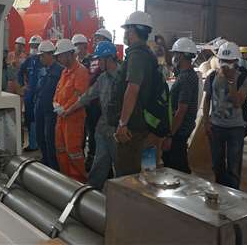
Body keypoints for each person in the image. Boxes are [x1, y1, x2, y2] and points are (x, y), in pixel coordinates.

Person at [67, 41, 119, 189]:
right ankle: (91, 191)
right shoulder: (102, 78)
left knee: (121, 166)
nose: (98, 62)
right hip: (103, 128)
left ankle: (123, 196)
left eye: (100, 59)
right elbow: (87, 97)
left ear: (109, 58)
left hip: (118, 130)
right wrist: (69, 110)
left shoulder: (124, 78)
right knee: (100, 162)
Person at [203, 41, 247, 189]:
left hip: (235, 128)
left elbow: (237, 102)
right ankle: (220, 193)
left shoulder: (244, 78)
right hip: (216, 126)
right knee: (217, 165)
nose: (226, 65)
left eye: (230, 62)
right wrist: (206, 121)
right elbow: (207, 99)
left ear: (237, 61)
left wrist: (231, 81)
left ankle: (233, 196)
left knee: (233, 168)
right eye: (223, 61)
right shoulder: (212, 76)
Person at [113, 11, 155, 177]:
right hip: (147, 125)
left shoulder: (136, 55)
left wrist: (122, 123)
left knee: (127, 177)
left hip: (133, 129)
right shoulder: (148, 54)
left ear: (131, 30)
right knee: (148, 173)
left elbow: (133, 88)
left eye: (126, 30)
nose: (125, 33)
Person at [53, 39, 89, 182]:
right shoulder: (65, 72)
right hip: (61, 117)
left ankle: (79, 181)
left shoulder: (81, 71)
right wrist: (55, 103)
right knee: (61, 149)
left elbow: (79, 94)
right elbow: (58, 90)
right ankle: (66, 179)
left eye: (60, 56)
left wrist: (66, 109)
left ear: (69, 54)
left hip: (73, 119)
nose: (59, 59)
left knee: (73, 151)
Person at [161, 37, 199, 174]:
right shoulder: (186, 75)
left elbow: (181, 109)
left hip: (179, 131)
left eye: (175, 54)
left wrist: (170, 135)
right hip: (179, 129)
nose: (174, 57)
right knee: (175, 163)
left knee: (176, 167)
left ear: (181, 56)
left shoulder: (186, 78)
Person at [73, 32, 101, 171]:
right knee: (80, 132)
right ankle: (80, 157)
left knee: (92, 131)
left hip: (92, 103)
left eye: (78, 45)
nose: (76, 48)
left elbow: (92, 80)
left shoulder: (92, 60)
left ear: (84, 46)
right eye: (75, 45)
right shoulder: (75, 62)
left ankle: (91, 157)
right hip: (79, 104)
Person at [34, 40, 64, 170]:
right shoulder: (43, 70)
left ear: (51, 54)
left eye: (43, 55)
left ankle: (54, 167)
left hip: (51, 111)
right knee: (40, 136)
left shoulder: (60, 71)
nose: (41, 58)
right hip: (40, 107)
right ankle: (45, 160)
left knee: (50, 139)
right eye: (40, 56)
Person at [19, 35, 43, 151]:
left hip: (40, 95)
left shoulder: (43, 61)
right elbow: (20, 72)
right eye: (32, 46)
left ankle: (39, 144)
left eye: (36, 46)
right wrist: (22, 85)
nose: (34, 48)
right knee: (29, 119)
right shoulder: (28, 60)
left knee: (39, 119)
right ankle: (33, 144)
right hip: (29, 95)